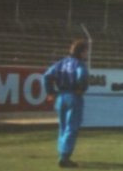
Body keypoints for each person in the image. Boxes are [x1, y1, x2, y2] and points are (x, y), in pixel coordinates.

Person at [43, 40, 90, 169]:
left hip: (61, 96)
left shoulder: (60, 63)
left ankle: (62, 152)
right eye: (86, 51)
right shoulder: (79, 64)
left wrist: (50, 92)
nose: (87, 54)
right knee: (72, 126)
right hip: (73, 96)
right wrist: (81, 89)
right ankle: (64, 157)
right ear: (81, 52)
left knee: (63, 126)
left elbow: (47, 75)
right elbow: (83, 76)